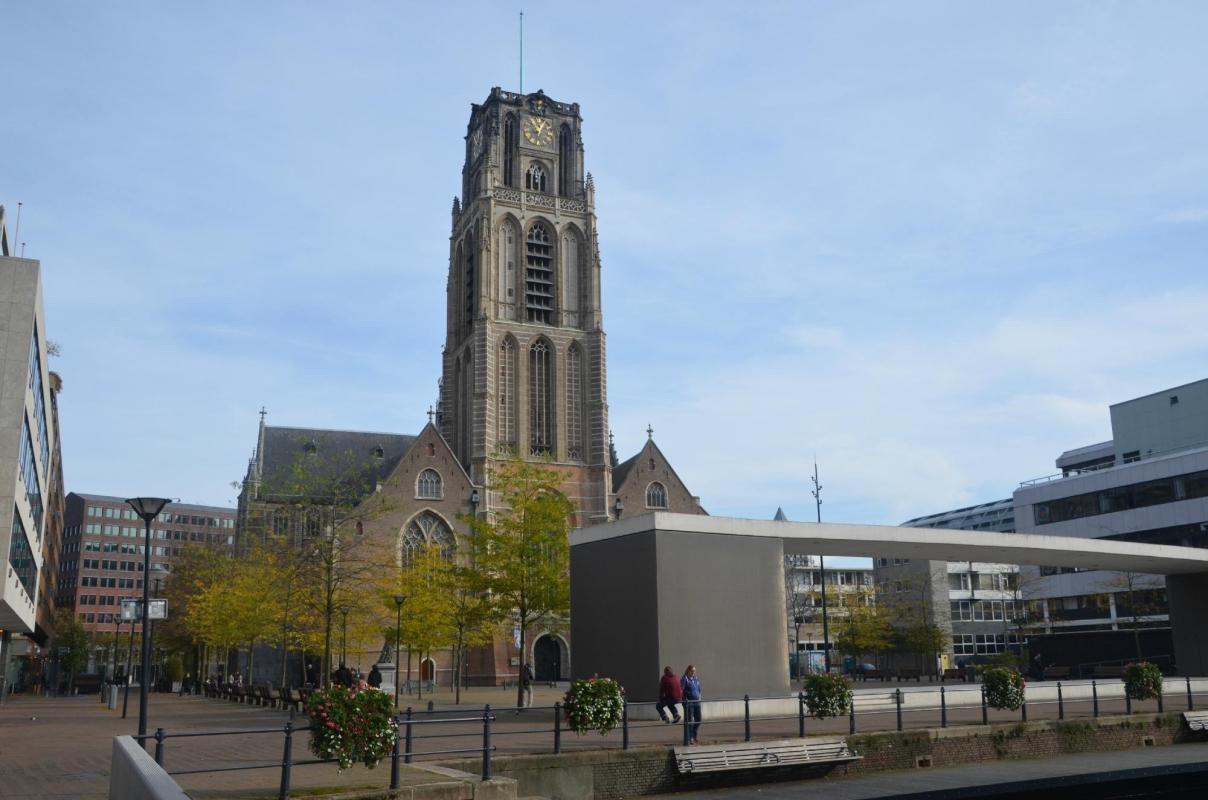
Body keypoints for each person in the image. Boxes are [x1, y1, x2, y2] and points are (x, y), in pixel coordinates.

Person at [680, 665, 702, 744]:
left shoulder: (696, 679)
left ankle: (694, 734)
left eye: (694, 671)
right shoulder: (684, 679)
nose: (693, 672)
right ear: (688, 671)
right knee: (690, 721)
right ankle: (690, 738)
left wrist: (699, 697)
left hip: (697, 702)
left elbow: (699, 689)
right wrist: (684, 700)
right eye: (692, 671)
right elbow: (681, 690)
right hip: (689, 703)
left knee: (699, 719)